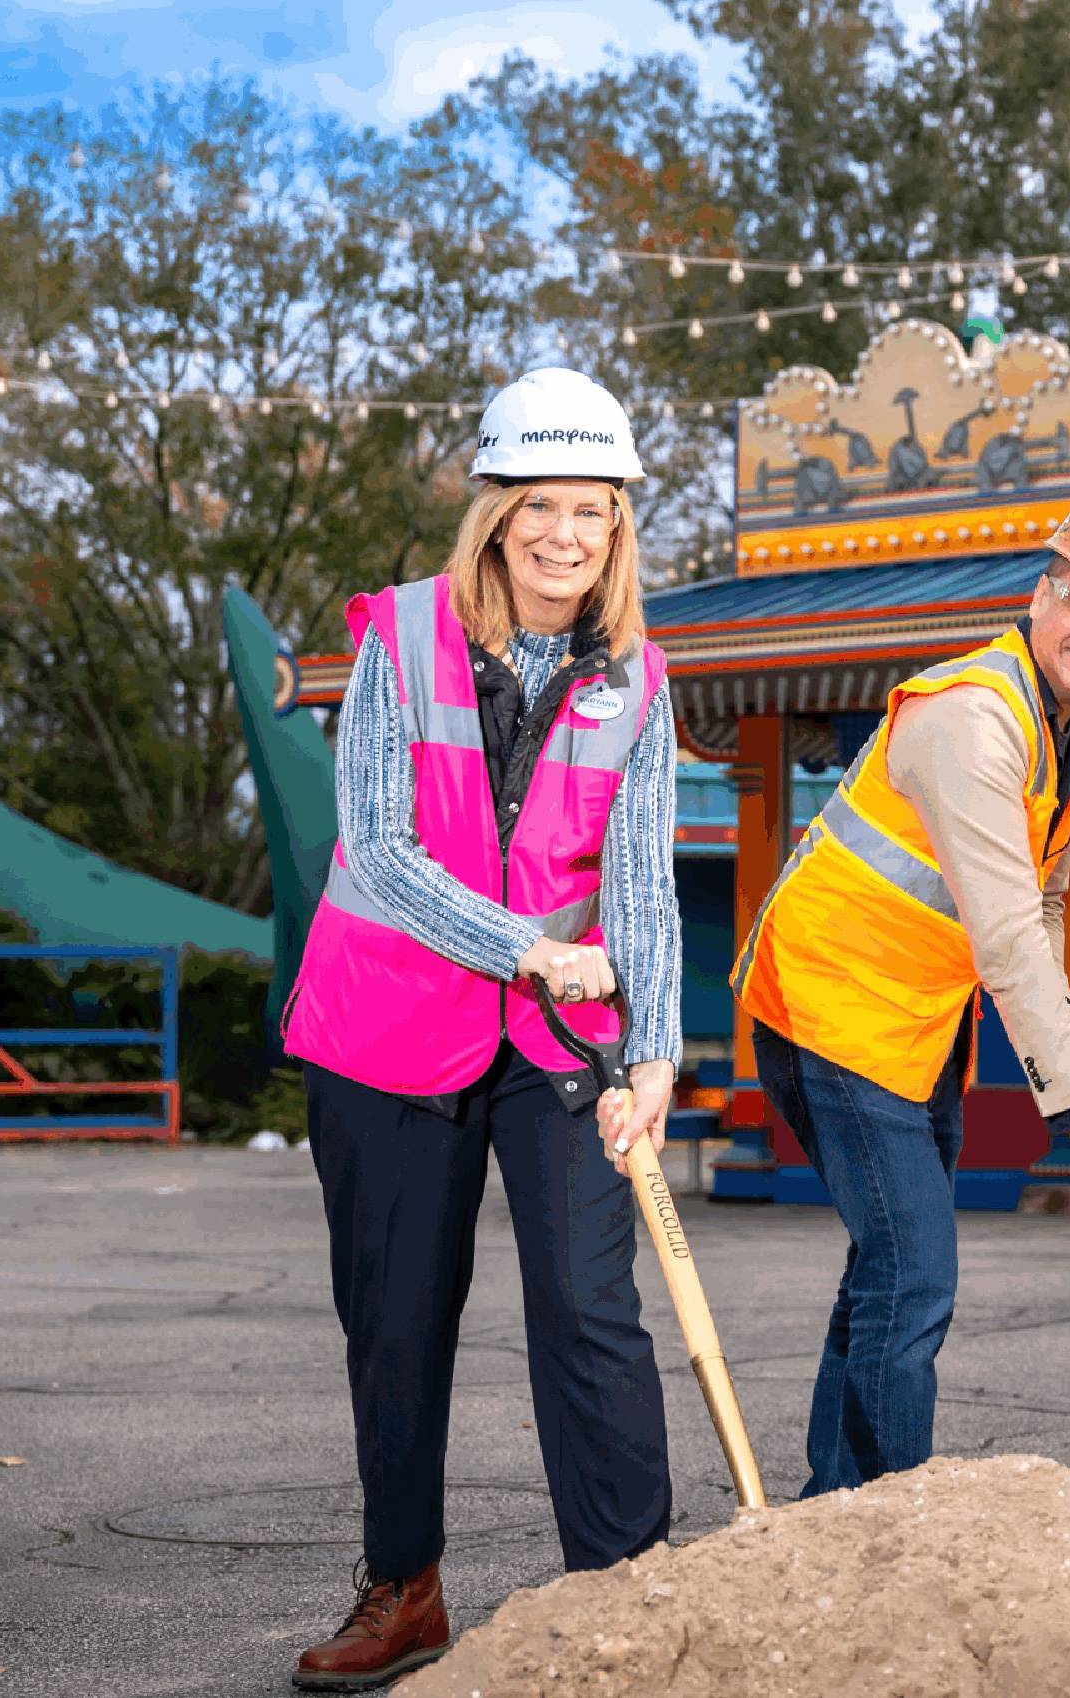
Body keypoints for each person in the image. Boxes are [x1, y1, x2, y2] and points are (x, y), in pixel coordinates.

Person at [279, 369, 682, 1689]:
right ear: (494, 515)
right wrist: (529, 949)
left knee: (590, 1304)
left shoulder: (639, 676)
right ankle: (405, 1588)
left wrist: (660, 1053)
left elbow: (639, 882)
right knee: (397, 1317)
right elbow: (382, 850)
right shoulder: (397, 639)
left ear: (618, 523)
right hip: (386, 1025)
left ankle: (629, 1591)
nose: (568, 536)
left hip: (560, 1045)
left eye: (595, 510)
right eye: (541, 507)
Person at [733, 488, 1070, 1492]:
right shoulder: (976, 719)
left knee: (887, 1263)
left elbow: (1042, 891)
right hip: (831, 1001)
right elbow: (1006, 926)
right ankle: (899, 1513)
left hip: (917, 1016)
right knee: (914, 1271)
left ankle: (834, 1502)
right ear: (1039, 594)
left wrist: (1057, 1003)